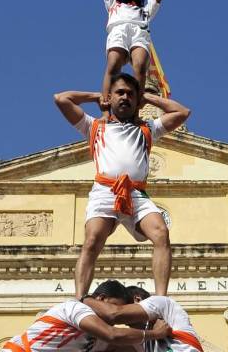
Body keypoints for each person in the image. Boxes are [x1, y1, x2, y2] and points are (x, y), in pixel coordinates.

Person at [53, 73, 190, 299]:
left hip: (135, 193)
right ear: (111, 97)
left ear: (137, 101)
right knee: (92, 240)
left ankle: (161, 299)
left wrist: (148, 97)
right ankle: (79, 299)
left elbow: (182, 113)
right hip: (105, 191)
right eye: (120, 93)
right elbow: (61, 99)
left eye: (130, 94)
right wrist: (98, 96)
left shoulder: (147, 129)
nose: (125, 97)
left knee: (161, 233)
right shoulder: (94, 127)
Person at [99, 0, 169, 115]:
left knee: (139, 67)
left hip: (139, 32)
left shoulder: (145, 10)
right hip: (119, 30)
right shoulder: (114, 4)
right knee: (113, 65)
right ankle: (106, 110)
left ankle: (135, 111)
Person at [0, 280, 172, 352]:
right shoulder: (75, 308)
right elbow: (113, 334)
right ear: (101, 299)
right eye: (116, 308)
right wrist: (156, 334)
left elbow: (127, 346)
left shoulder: (97, 338)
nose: (118, 316)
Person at [82, 285, 204, 352]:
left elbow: (113, 314)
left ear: (137, 300)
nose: (125, 322)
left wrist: (85, 299)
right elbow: (115, 342)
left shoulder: (162, 303)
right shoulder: (144, 337)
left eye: (125, 309)